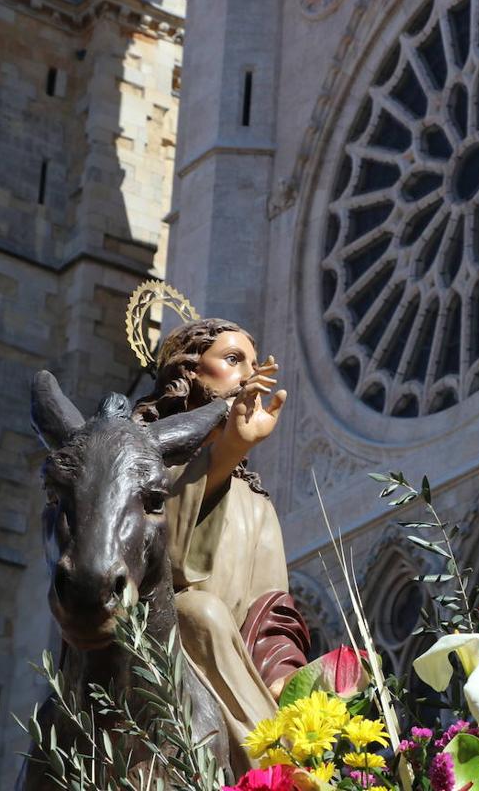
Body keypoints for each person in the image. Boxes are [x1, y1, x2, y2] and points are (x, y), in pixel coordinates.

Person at [133, 317, 309, 773]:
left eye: (253, 363)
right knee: (199, 613)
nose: (250, 375)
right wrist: (226, 450)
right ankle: (277, 774)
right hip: (156, 652)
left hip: (236, 672)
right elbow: (165, 564)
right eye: (232, 360)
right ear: (188, 373)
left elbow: (269, 611)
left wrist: (282, 673)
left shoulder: (255, 503)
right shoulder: (143, 465)